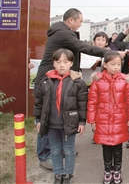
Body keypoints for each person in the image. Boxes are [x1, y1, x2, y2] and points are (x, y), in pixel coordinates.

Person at [33, 8, 114, 171]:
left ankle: (59, 149)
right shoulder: (63, 33)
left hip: (59, 80)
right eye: (79, 21)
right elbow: (84, 47)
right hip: (48, 81)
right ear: (71, 20)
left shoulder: (63, 32)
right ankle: (44, 155)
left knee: (59, 115)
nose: (80, 24)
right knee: (47, 117)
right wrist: (109, 52)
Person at [33, 49, 88, 184]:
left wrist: (81, 122)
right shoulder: (46, 81)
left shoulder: (77, 82)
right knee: (55, 149)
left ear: (71, 63)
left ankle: (68, 174)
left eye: (65, 62)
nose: (62, 65)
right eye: (58, 62)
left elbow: (82, 104)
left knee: (69, 150)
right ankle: (58, 174)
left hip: (69, 123)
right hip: (51, 123)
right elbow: (39, 103)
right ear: (53, 63)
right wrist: (38, 120)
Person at [87, 51, 129, 184]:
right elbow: (92, 102)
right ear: (105, 65)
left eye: (118, 64)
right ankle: (108, 170)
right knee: (106, 147)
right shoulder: (97, 81)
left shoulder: (125, 81)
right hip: (102, 119)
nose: (116, 67)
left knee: (118, 147)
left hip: (120, 118)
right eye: (113, 64)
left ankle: (117, 170)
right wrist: (92, 120)